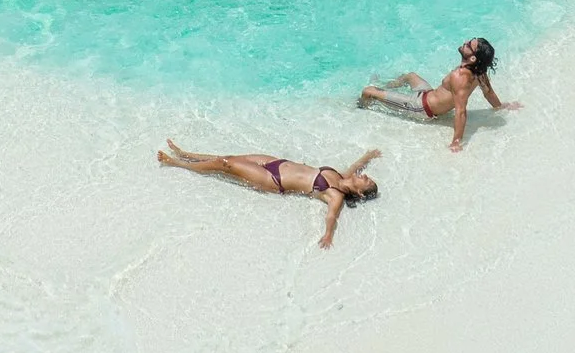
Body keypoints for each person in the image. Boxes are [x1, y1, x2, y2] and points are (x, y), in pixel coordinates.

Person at [157, 140, 380, 248]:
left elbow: (331, 216)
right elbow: (357, 164)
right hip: (275, 162)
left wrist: (328, 235)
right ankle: (188, 154)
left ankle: (177, 163)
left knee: (224, 164)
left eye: (367, 182)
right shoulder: (342, 175)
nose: (365, 176)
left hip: (272, 180)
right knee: (230, 157)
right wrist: (369, 155)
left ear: (359, 194)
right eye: (367, 177)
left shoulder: (335, 195)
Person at [358, 36, 517, 151]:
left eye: (469, 45)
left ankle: (359, 108)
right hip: (427, 93)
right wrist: (501, 106)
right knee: (410, 76)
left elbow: (461, 111)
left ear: (473, 58)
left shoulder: (460, 77)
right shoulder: (479, 72)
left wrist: (456, 141)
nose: (465, 42)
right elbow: (488, 93)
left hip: (420, 107)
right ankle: (386, 86)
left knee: (368, 91)